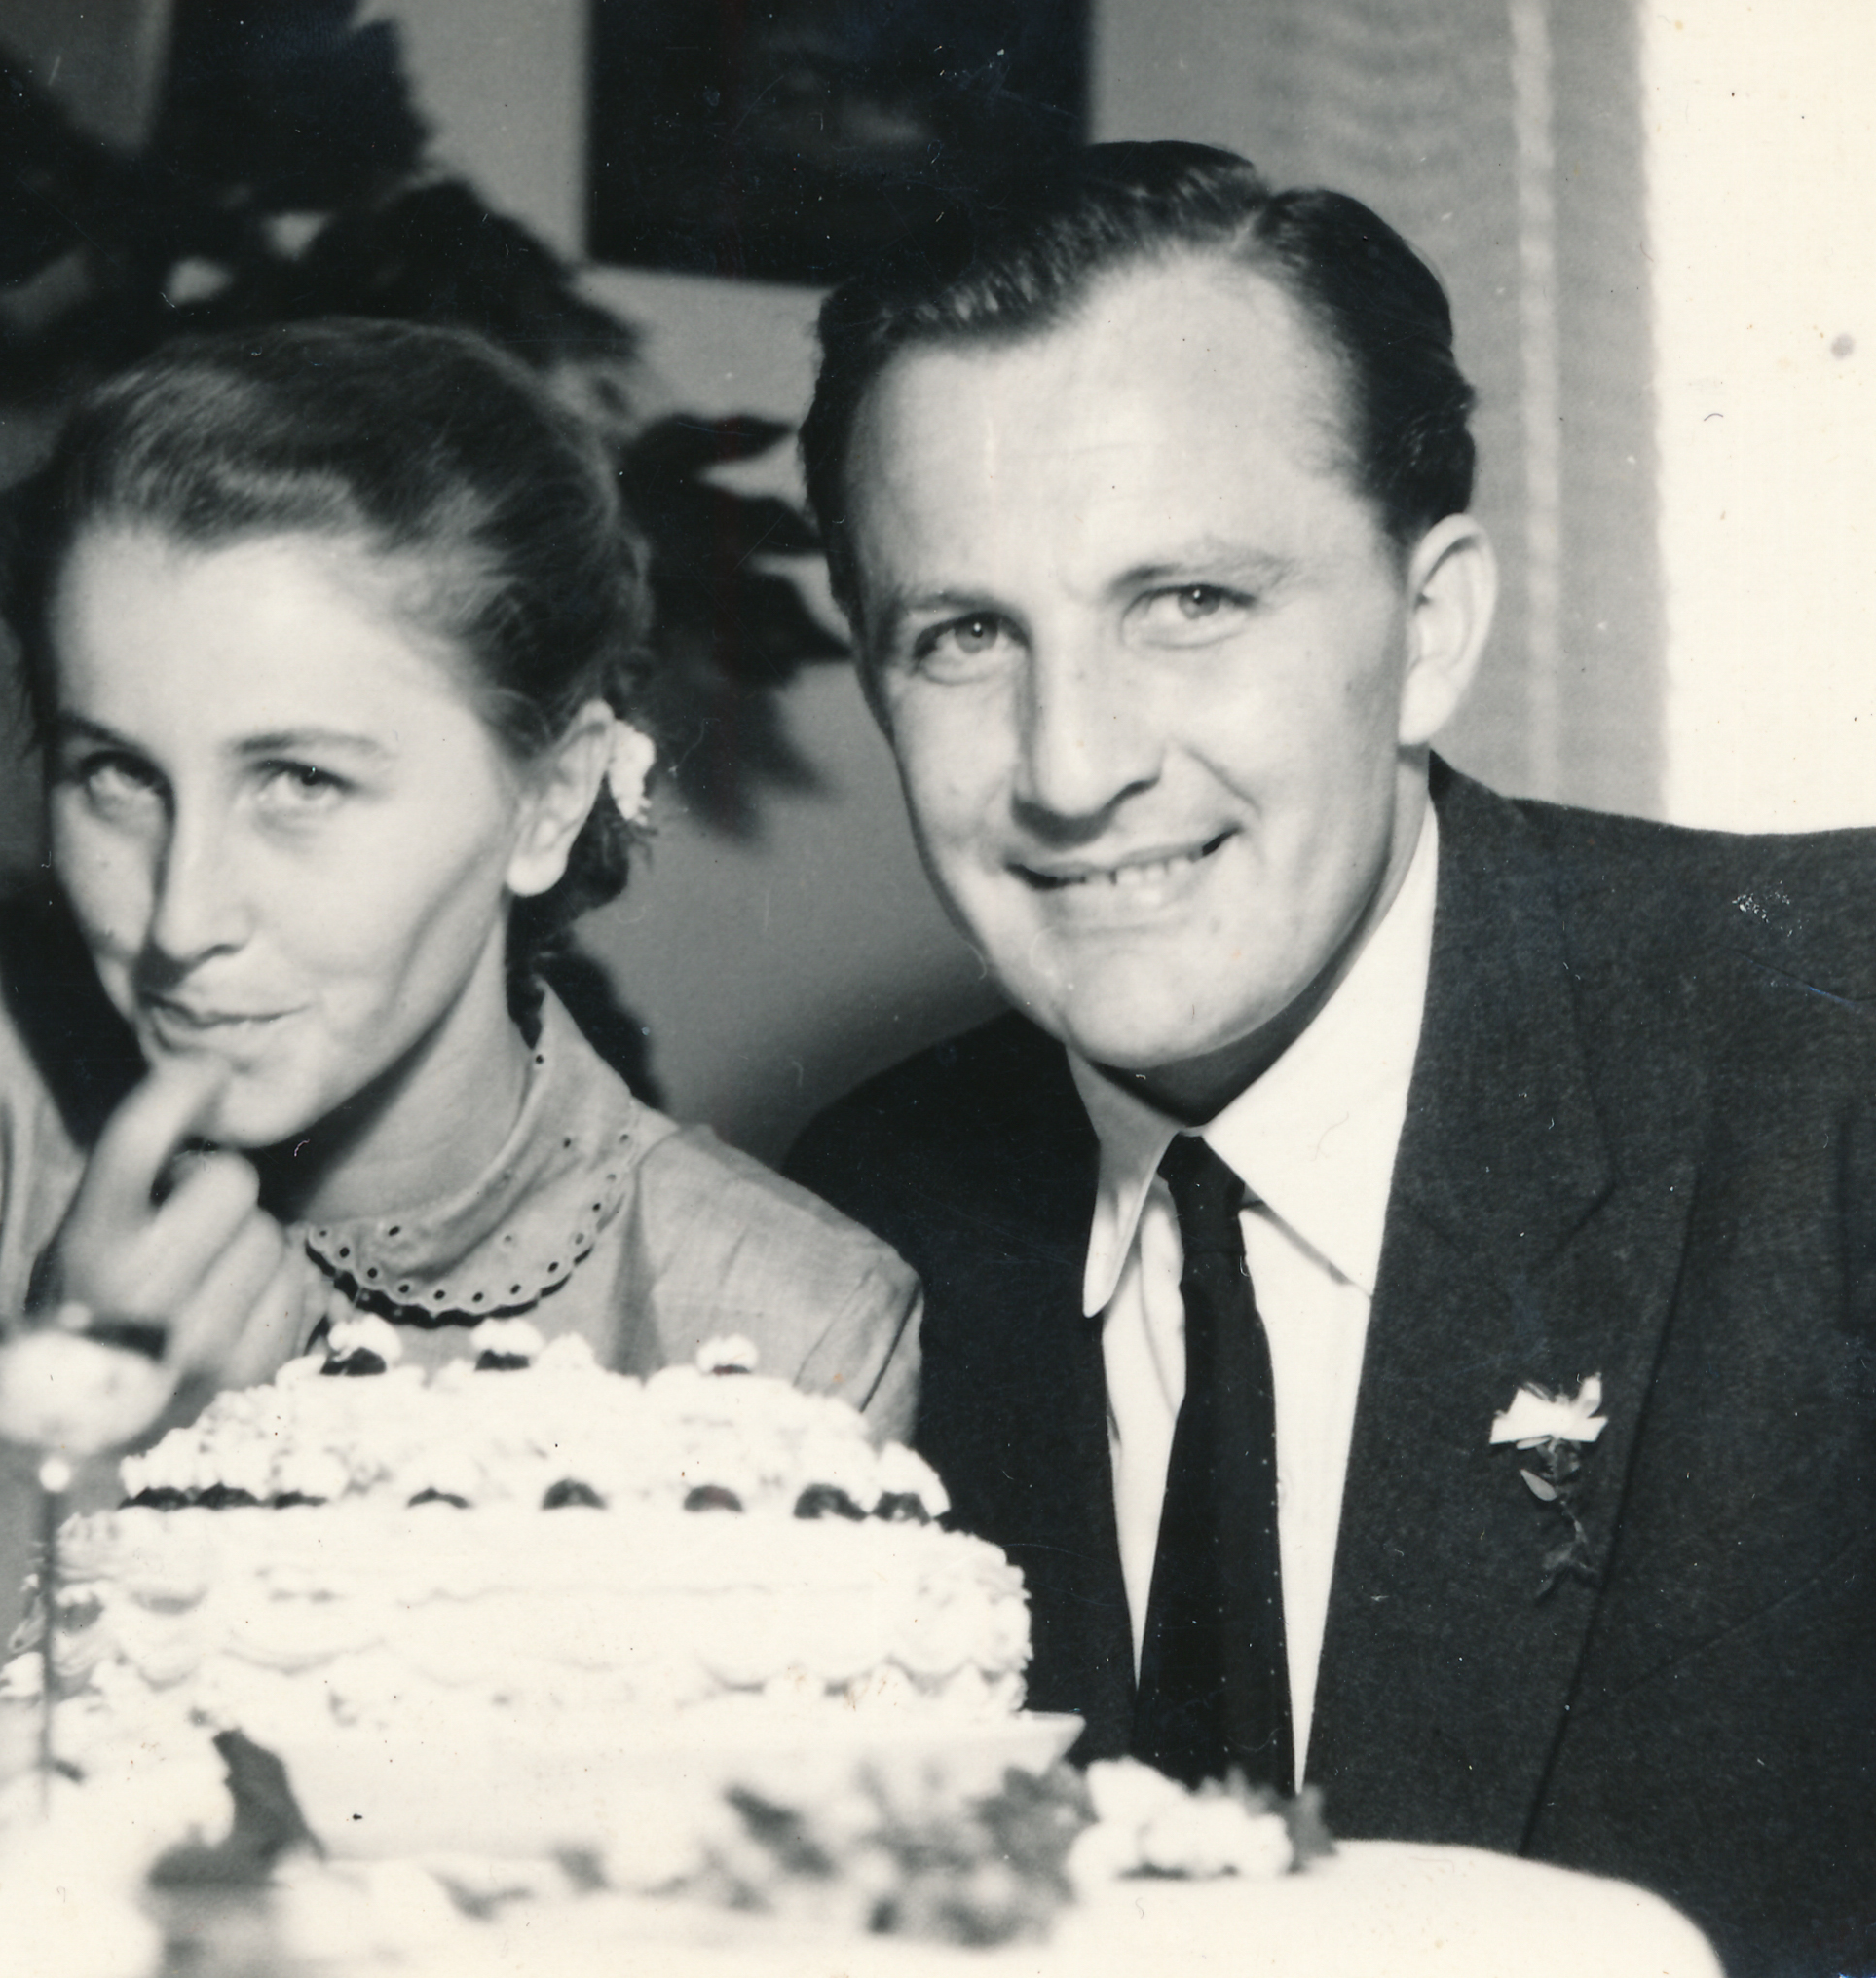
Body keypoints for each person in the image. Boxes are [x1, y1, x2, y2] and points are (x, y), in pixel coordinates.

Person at [782, 143, 1874, 1977]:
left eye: (1190, 602)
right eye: (965, 635)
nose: (1072, 765)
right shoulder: (858, 1231)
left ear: (1429, 630)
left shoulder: (1836, 1059)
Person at [0, 318, 919, 1729]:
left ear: (549, 799)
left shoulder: (783, 1324)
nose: (182, 919)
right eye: (115, 775)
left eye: (299, 781)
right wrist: (45, 1463)